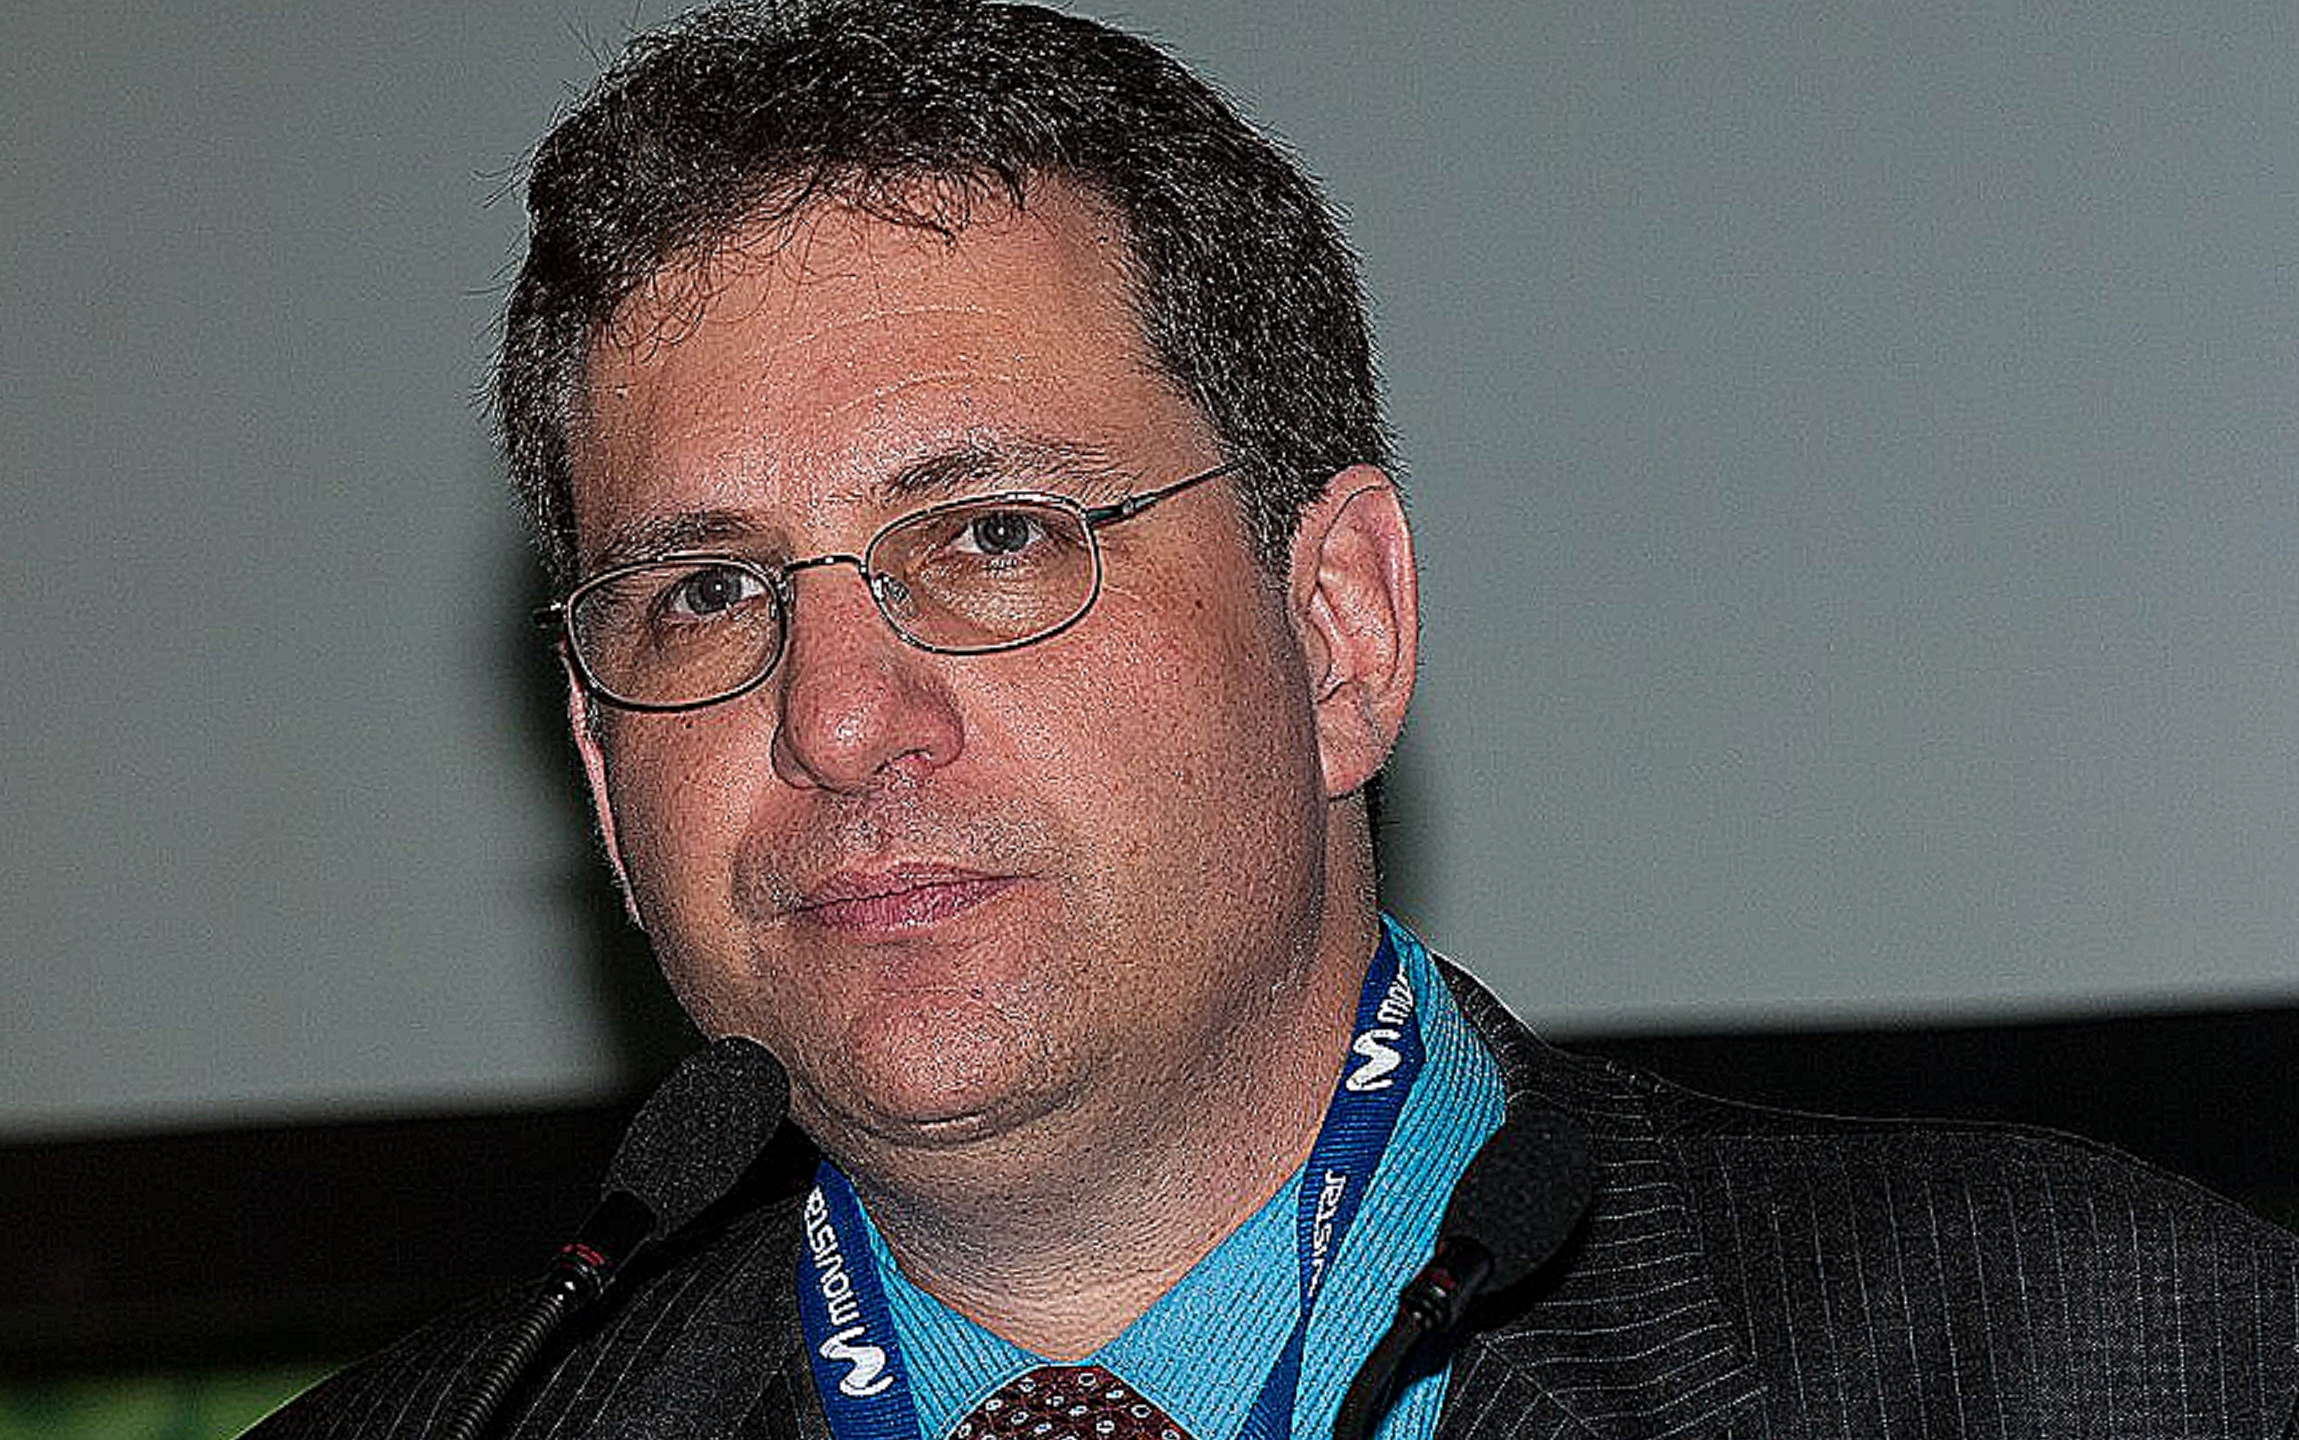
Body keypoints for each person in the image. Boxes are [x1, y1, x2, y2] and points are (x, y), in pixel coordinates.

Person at [248, 2, 2298, 1436]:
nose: (842, 723)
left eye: (990, 537)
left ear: (1337, 631)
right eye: (705, 594)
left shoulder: (2103, 1356)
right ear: (600, 774)